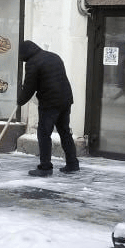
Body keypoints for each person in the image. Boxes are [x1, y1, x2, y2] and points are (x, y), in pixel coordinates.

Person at [18, 40, 79, 176]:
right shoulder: (54, 56)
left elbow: (29, 87)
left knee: (44, 133)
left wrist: (20, 101)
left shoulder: (33, 63)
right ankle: (72, 164)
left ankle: (45, 168)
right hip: (65, 99)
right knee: (64, 132)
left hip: (50, 102)